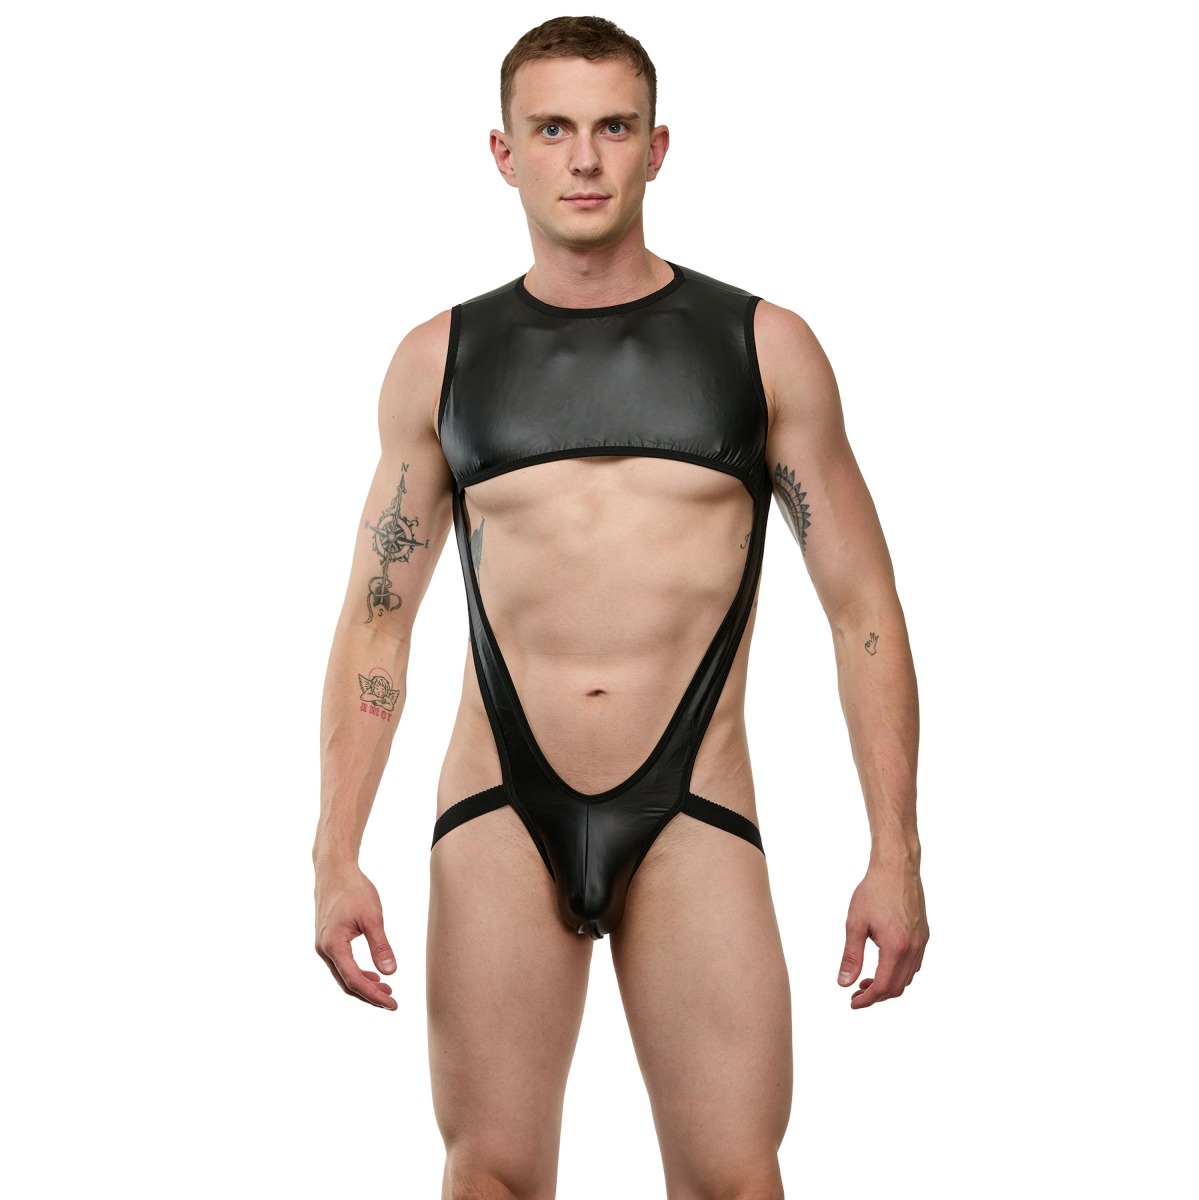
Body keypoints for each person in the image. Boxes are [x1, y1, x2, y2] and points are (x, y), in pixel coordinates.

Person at [313, 15, 928, 1199]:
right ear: (504, 154)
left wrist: (894, 852)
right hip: (499, 807)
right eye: (553, 130)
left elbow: (864, 609)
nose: (585, 159)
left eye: (612, 128)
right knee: (489, 1177)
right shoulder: (439, 361)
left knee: (736, 1181)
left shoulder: (764, 348)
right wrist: (335, 853)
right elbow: (376, 620)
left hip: (695, 807)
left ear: (658, 147)